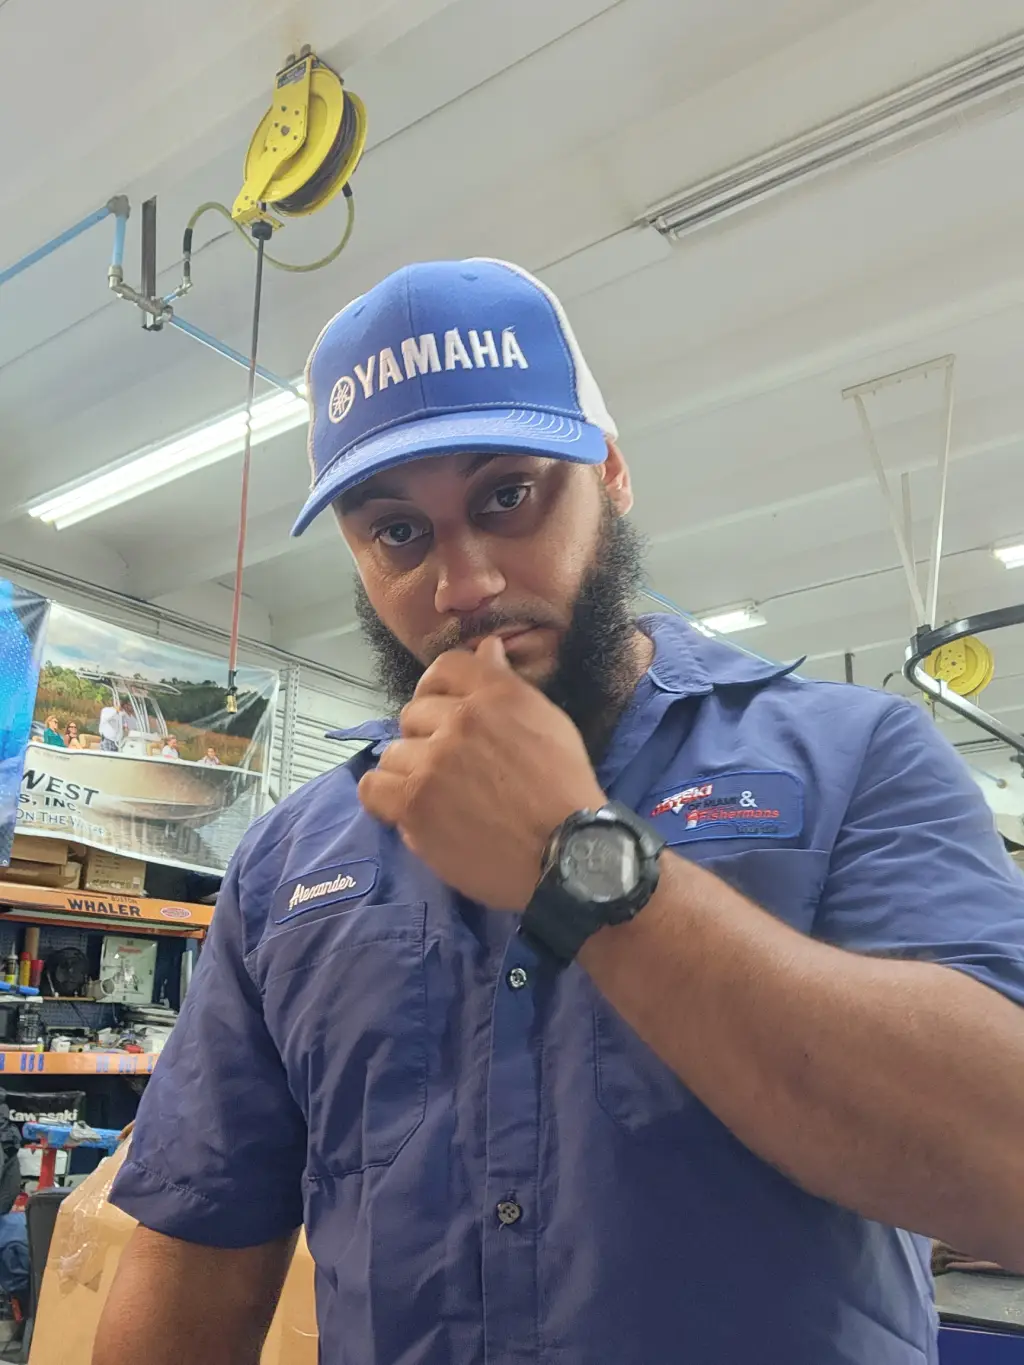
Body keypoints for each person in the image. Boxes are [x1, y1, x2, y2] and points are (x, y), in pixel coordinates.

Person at [97, 260, 1024, 1365]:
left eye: (506, 494)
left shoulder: (855, 756)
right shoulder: (290, 861)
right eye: (397, 530)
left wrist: (579, 860)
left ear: (612, 473)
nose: (464, 581)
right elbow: (199, 1239)